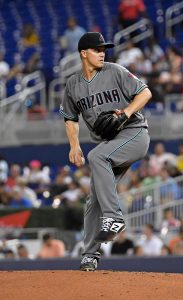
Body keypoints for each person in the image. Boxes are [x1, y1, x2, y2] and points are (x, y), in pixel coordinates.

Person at [59, 32, 152, 271]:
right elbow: (70, 117)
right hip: (110, 142)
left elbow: (145, 93)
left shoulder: (115, 71)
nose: (102, 53)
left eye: (104, 49)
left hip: (134, 133)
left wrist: (126, 112)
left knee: (97, 156)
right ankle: (89, 255)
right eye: (97, 49)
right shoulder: (73, 84)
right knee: (93, 200)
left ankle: (115, 218)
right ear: (83, 53)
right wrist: (74, 144)